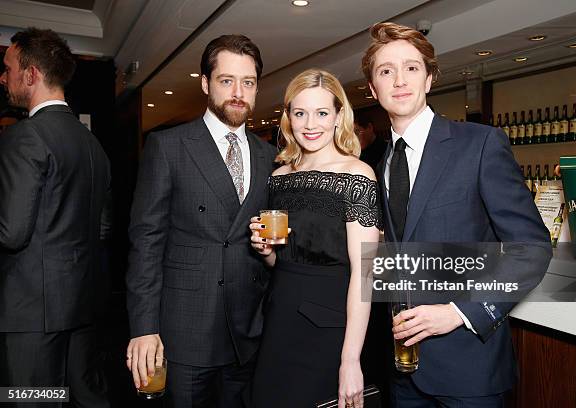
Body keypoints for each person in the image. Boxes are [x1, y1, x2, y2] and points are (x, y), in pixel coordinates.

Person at [361, 22, 552, 407]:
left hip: (470, 367)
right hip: (402, 370)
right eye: (386, 71)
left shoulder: (479, 144)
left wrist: (460, 312)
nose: (399, 80)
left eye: (412, 68)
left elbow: (531, 248)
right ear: (372, 88)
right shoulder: (377, 164)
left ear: (429, 79)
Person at [125, 34, 277, 407]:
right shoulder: (169, 146)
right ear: (206, 83)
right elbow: (146, 241)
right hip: (187, 330)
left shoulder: (271, 156)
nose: (238, 92)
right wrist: (144, 328)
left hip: (250, 330)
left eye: (248, 82)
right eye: (227, 81)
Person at [249, 69, 382, 408]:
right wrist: (265, 251)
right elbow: (284, 260)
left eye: (322, 113)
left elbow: (364, 274)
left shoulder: (357, 174)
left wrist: (350, 360)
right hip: (279, 319)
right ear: (288, 118)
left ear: (339, 117)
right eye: (300, 113)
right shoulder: (279, 176)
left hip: (330, 329)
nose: (311, 124)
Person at [0, 28, 111, 407]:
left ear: (31, 75)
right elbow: (103, 228)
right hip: (83, 308)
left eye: (8, 68)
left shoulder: (24, 137)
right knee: (83, 399)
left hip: (31, 315)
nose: (3, 77)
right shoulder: (93, 144)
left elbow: (11, 232)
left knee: (31, 400)